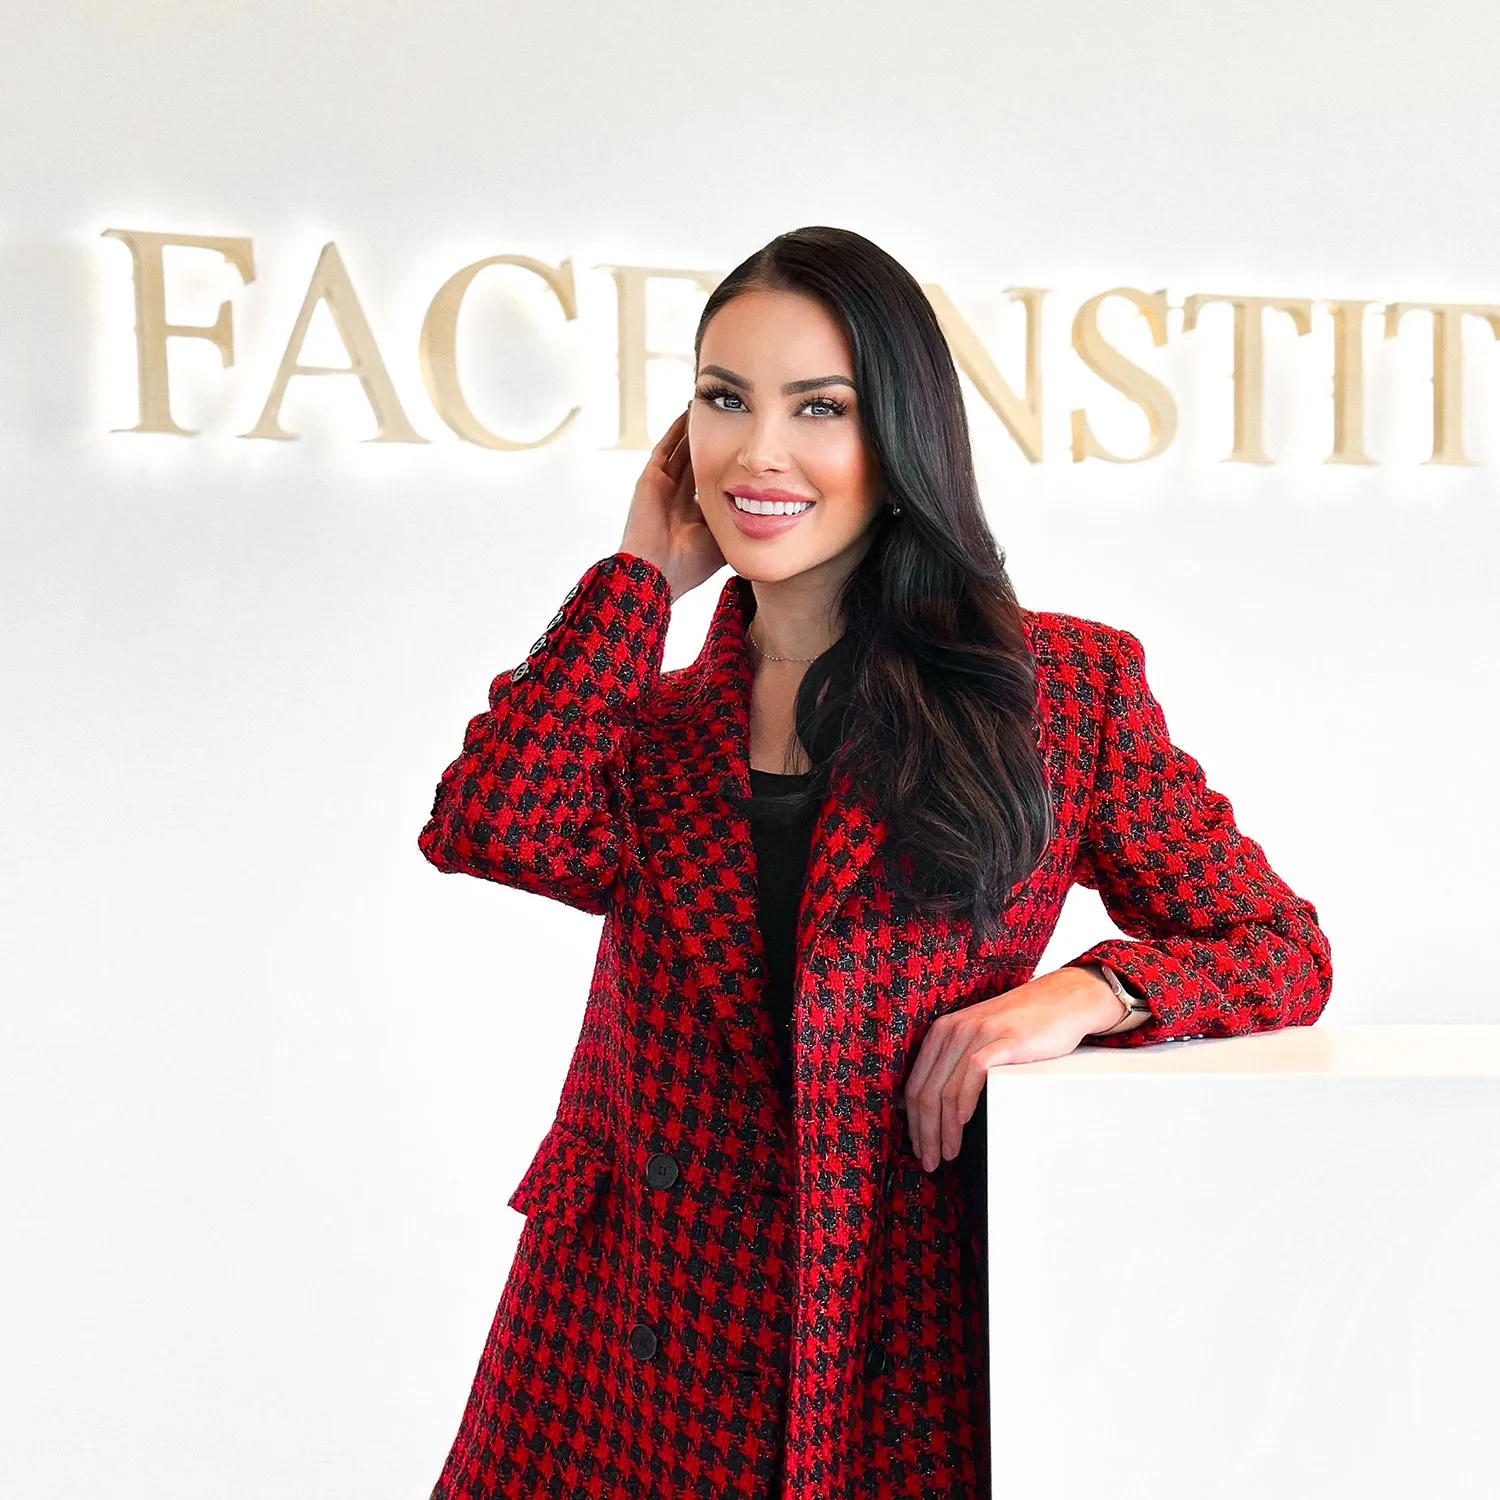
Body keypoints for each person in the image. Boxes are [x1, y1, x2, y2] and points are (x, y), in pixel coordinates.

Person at [416, 225, 1333, 1500]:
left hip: (886, 1338)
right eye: (724, 399)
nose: (759, 451)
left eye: (820, 407)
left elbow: (1276, 948)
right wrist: (635, 580)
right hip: (635, 1332)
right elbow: (489, 827)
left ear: (899, 438)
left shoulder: (1055, 691)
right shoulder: (649, 718)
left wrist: (1090, 993)